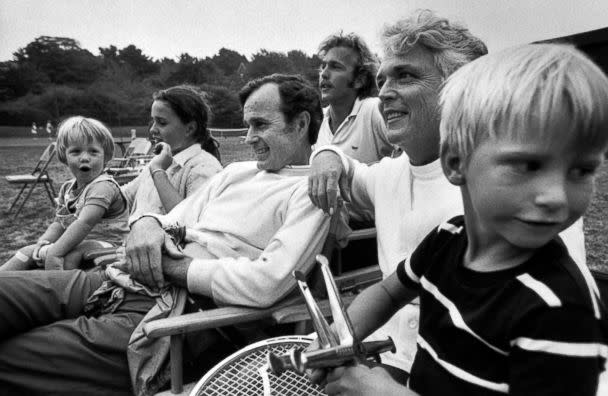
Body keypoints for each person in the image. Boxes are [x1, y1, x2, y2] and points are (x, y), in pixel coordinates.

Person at [0, 74, 338, 396]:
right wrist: (147, 222)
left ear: (301, 123)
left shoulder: (312, 191)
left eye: (260, 125)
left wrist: (173, 267)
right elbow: (172, 218)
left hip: (176, 315)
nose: (248, 137)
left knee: (11, 357)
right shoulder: (236, 172)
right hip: (116, 281)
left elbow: (269, 282)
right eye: (248, 124)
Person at [313, 43, 608, 396]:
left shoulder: (560, 307)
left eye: (581, 170)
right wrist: (338, 341)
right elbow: (389, 291)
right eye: (528, 166)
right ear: (455, 164)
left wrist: (379, 390)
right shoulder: (449, 237)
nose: (556, 196)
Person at [1, 116, 130, 271]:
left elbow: (85, 223)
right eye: (75, 151)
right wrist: (45, 240)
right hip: (76, 243)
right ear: (64, 156)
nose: (84, 157)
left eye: (93, 152)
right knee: (26, 253)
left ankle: (57, 290)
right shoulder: (67, 188)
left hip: (110, 244)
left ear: (106, 156)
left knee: (69, 256)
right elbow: (59, 222)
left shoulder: (103, 187)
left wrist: (55, 252)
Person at [121, 85, 223, 224]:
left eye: (161, 123)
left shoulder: (203, 167)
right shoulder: (160, 161)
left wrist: (158, 172)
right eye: (153, 121)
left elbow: (191, 222)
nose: (152, 129)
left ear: (190, 129)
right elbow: (124, 197)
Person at [315, 32, 393, 164]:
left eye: (335, 67)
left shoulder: (373, 110)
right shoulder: (317, 119)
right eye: (323, 66)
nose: (324, 74)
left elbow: (409, 154)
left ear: (359, 80)